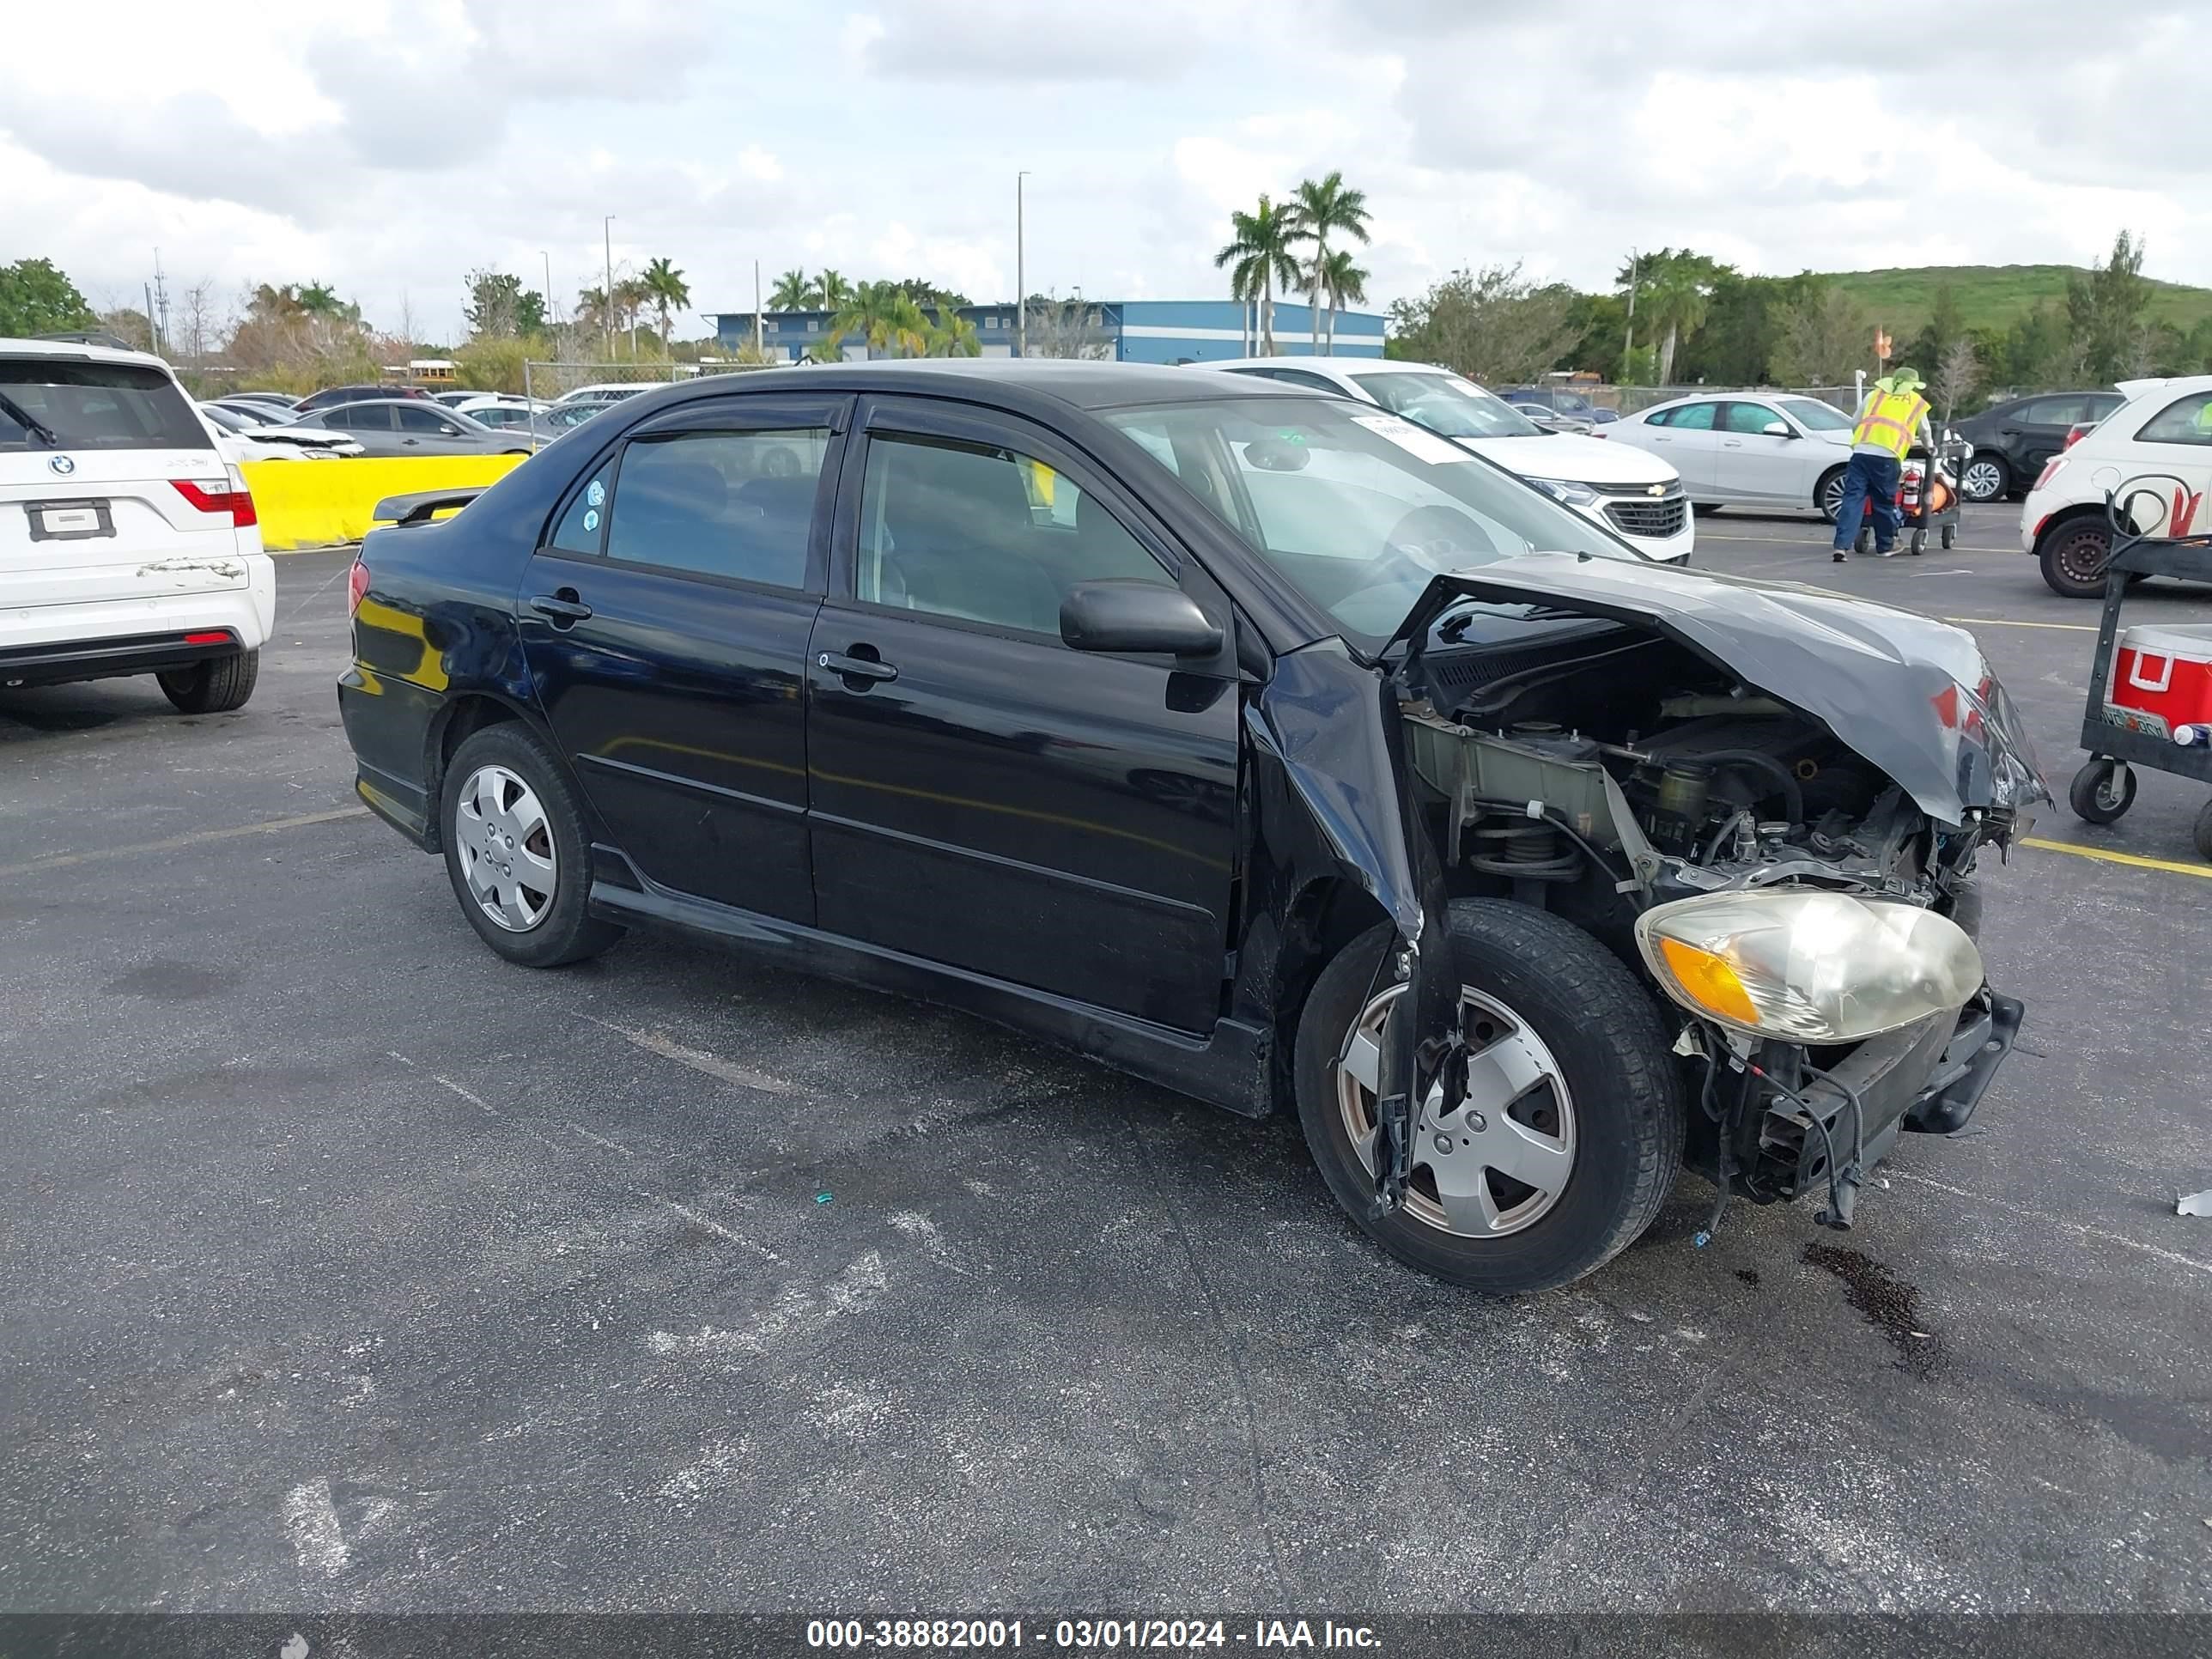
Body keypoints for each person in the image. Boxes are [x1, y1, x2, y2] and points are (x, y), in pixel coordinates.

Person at [1832, 366, 1934, 562]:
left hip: (1861, 453)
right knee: (1883, 502)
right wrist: (1930, 448)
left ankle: (1841, 546)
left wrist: (1865, 440)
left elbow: (1855, 423)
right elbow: (1925, 431)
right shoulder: (1915, 402)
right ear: (1912, 385)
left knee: (1853, 499)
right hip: (1888, 456)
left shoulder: (1874, 395)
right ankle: (1885, 546)